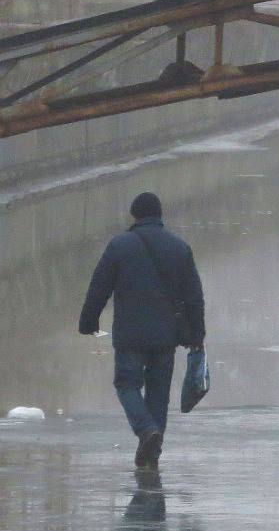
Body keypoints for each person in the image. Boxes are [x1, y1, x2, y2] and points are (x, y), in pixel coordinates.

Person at [79, 192, 205, 470]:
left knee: (127, 384)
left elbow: (99, 286)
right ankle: (152, 451)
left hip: (130, 334)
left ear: (134, 216)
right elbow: (194, 296)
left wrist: (88, 320)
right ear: (159, 215)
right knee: (159, 392)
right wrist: (197, 335)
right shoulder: (179, 248)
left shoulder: (119, 246)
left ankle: (147, 431)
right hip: (166, 336)